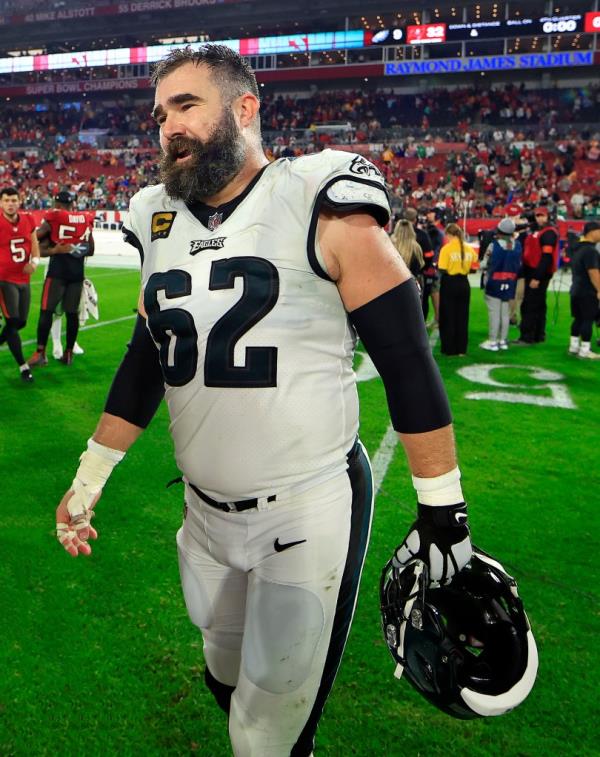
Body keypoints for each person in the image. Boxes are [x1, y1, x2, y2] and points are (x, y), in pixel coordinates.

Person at [54, 45, 473, 757]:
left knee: (263, 733)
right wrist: (89, 477)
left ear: (245, 108)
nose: (168, 127)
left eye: (186, 105)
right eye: (160, 114)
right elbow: (144, 363)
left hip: (307, 506)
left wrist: (445, 510)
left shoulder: (317, 194)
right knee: (224, 670)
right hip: (204, 510)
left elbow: (405, 358)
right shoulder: (156, 214)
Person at [28, 191, 94, 367]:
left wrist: (53, 250)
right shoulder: (85, 217)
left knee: (46, 311)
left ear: (57, 205)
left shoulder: (54, 217)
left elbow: (34, 239)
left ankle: (41, 352)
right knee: (72, 314)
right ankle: (69, 352)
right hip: (77, 273)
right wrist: (76, 248)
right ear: (72, 204)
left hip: (58, 272)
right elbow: (91, 249)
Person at [0, 186, 40, 383]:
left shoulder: (28, 219)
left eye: (13, 200)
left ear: (20, 201)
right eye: (6, 200)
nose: (10, 204)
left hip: (24, 278)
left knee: (20, 321)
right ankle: (23, 366)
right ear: (1, 203)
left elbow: (34, 244)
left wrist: (35, 262)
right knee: (13, 321)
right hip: (4, 279)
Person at [516, 206, 559, 344]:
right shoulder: (539, 231)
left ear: (548, 217)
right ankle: (538, 335)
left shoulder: (548, 234)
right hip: (533, 270)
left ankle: (527, 337)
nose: (540, 218)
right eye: (538, 216)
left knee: (530, 304)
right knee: (539, 304)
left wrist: (537, 277)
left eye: (543, 216)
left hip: (538, 272)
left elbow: (546, 257)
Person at [480, 218, 522, 351]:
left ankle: (493, 341)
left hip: (494, 281)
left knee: (494, 312)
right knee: (505, 313)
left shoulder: (494, 245)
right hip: (510, 282)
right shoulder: (517, 245)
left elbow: (484, 264)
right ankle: (503, 340)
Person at [437, 223, 478, 356]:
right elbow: (473, 268)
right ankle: (461, 349)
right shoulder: (469, 249)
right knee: (462, 316)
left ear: (449, 234)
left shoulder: (446, 249)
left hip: (449, 283)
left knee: (448, 316)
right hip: (464, 283)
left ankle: (449, 348)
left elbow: (442, 269)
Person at [568, 220, 600, 360]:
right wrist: (599, 289)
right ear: (593, 232)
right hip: (587, 290)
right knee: (588, 319)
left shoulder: (578, 248)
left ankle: (574, 346)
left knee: (578, 319)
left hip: (576, 289)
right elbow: (593, 272)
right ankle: (585, 349)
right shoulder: (590, 251)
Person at [402, 207, 435, 322]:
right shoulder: (421, 235)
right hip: (416, 276)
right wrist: (423, 268)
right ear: (415, 219)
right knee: (420, 302)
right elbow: (429, 256)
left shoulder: (394, 236)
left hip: (396, 277)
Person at [389, 218, 424, 292]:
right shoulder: (416, 248)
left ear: (396, 230)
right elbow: (420, 265)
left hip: (392, 285)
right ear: (411, 231)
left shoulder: (389, 245)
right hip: (411, 286)